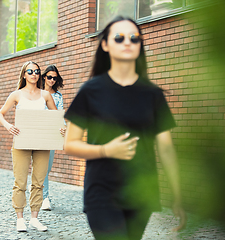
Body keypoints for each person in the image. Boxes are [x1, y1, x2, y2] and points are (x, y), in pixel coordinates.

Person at [63, 16, 186, 240]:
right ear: (105, 45)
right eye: (119, 38)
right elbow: (70, 144)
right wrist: (105, 150)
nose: (127, 42)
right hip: (101, 192)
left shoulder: (153, 94)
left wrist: (178, 194)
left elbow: (166, 149)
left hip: (141, 192)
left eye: (134, 38)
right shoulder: (90, 91)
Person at [0, 61, 62, 232]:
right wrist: (8, 126)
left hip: (41, 142)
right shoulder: (16, 95)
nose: (34, 74)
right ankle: (20, 218)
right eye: (30, 71)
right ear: (24, 74)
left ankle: (34, 218)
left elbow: (57, 118)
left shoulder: (46, 95)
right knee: (20, 181)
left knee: (39, 182)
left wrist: (62, 127)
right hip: (21, 141)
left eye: (37, 71)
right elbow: (0, 115)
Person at [41, 65, 65, 211]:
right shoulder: (36, 93)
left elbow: (60, 114)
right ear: (44, 76)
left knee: (46, 168)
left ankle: (42, 195)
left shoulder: (58, 96)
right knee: (39, 167)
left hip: (50, 134)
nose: (51, 80)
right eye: (49, 77)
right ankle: (43, 197)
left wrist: (64, 127)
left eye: (54, 78)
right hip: (36, 133)